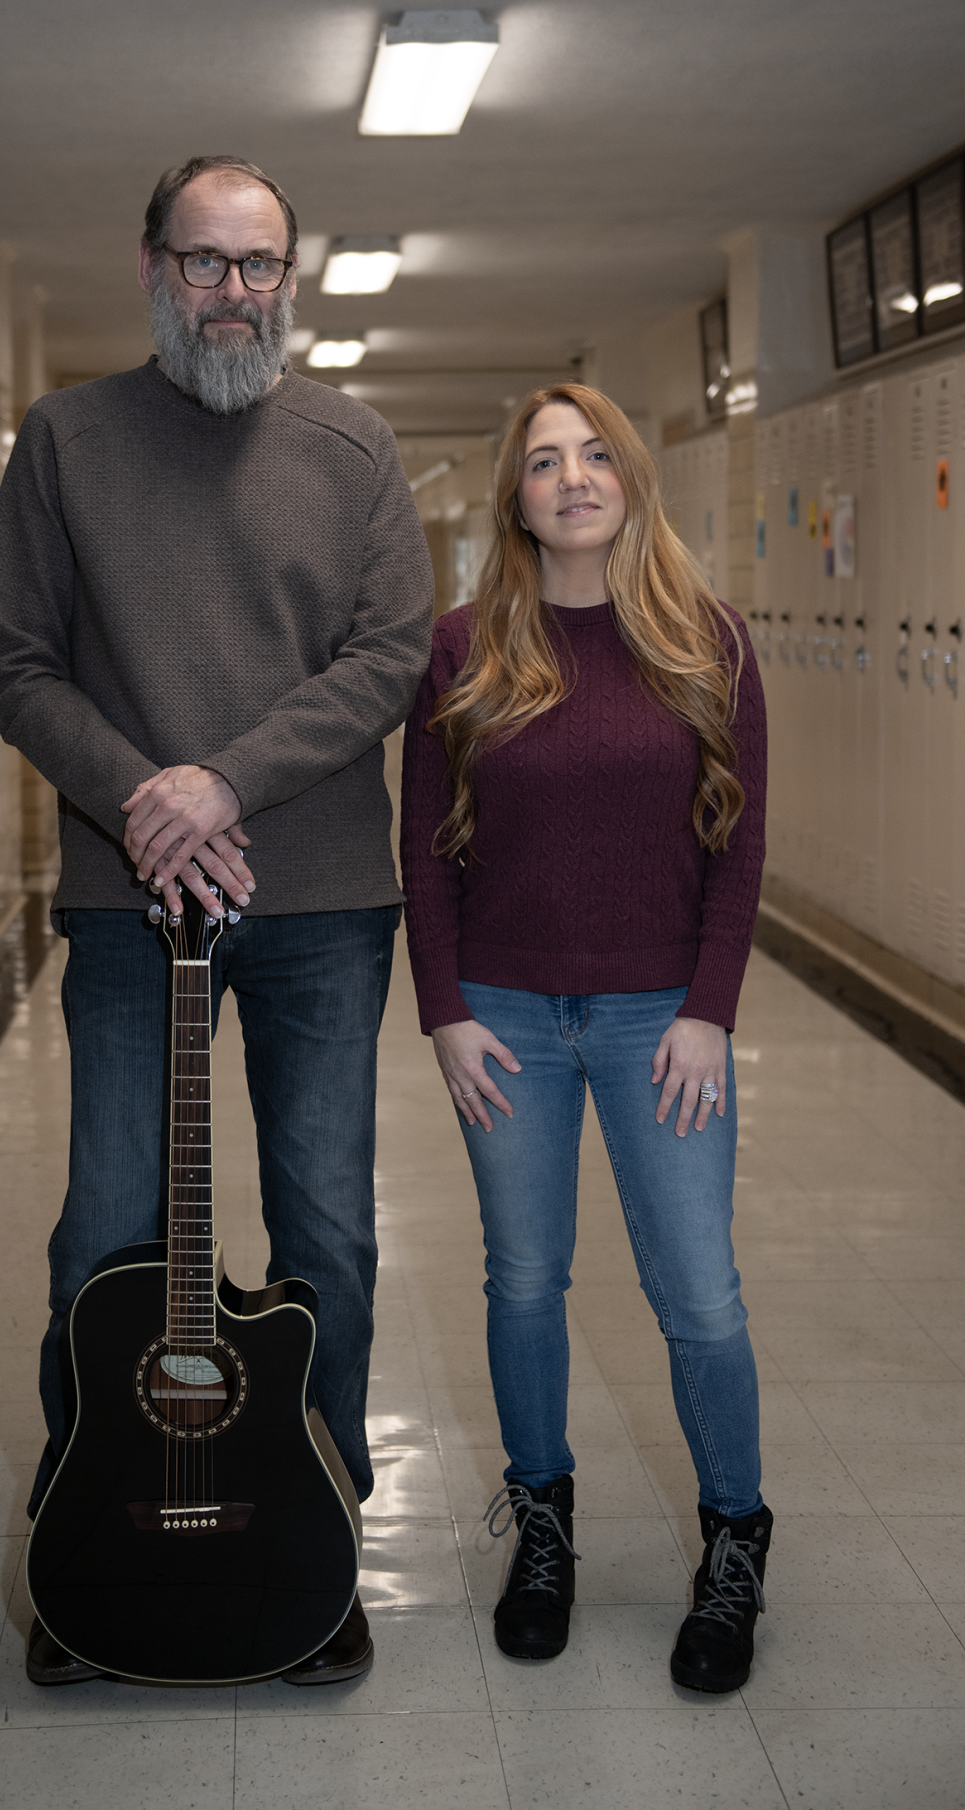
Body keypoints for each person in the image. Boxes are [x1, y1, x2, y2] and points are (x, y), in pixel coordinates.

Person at [0, 153, 433, 1687]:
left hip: (316, 904)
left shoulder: (353, 445)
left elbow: (387, 662)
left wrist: (219, 782)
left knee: (325, 1233)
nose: (233, 292)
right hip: (129, 904)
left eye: (260, 266)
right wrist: (143, 798)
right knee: (104, 1234)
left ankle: (317, 1548)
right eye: (204, 262)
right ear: (152, 267)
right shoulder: (67, 442)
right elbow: (19, 663)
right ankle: (90, 1540)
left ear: (287, 278)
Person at [399, 383, 771, 1695]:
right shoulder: (461, 649)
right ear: (514, 494)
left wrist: (705, 1011)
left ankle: (733, 1541)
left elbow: (739, 847)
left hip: (657, 1021)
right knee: (522, 1278)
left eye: (593, 454)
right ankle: (541, 1527)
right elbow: (422, 847)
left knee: (698, 1295)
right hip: (502, 1018)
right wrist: (443, 1006)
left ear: (630, 478)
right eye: (544, 461)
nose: (570, 478)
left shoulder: (704, 639)